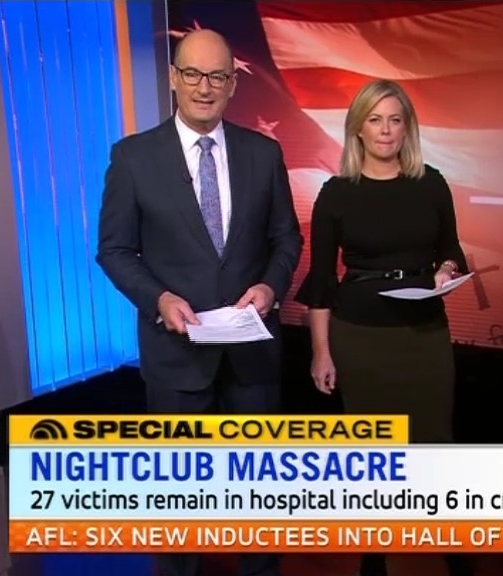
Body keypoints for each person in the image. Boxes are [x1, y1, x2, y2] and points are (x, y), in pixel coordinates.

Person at [96, 29, 302, 576]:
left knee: (260, 505)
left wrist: (270, 287)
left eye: (217, 76)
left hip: (252, 358)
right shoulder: (133, 157)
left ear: (233, 84)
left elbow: (287, 238)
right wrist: (158, 298)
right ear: (173, 78)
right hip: (176, 358)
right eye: (192, 74)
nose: (204, 87)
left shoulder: (263, 153)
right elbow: (114, 250)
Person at [293, 79, 472, 576]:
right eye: (375, 120)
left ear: (407, 127)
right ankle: (375, 553)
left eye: (395, 120)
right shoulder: (336, 194)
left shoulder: (431, 183)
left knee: (434, 442)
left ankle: (453, 547)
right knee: (374, 450)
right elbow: (322, 280)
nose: (386, 130)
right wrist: (320, 352)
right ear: (358, 129)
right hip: (360, 334)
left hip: (424, 333)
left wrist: (446, 271)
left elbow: (451, 249)